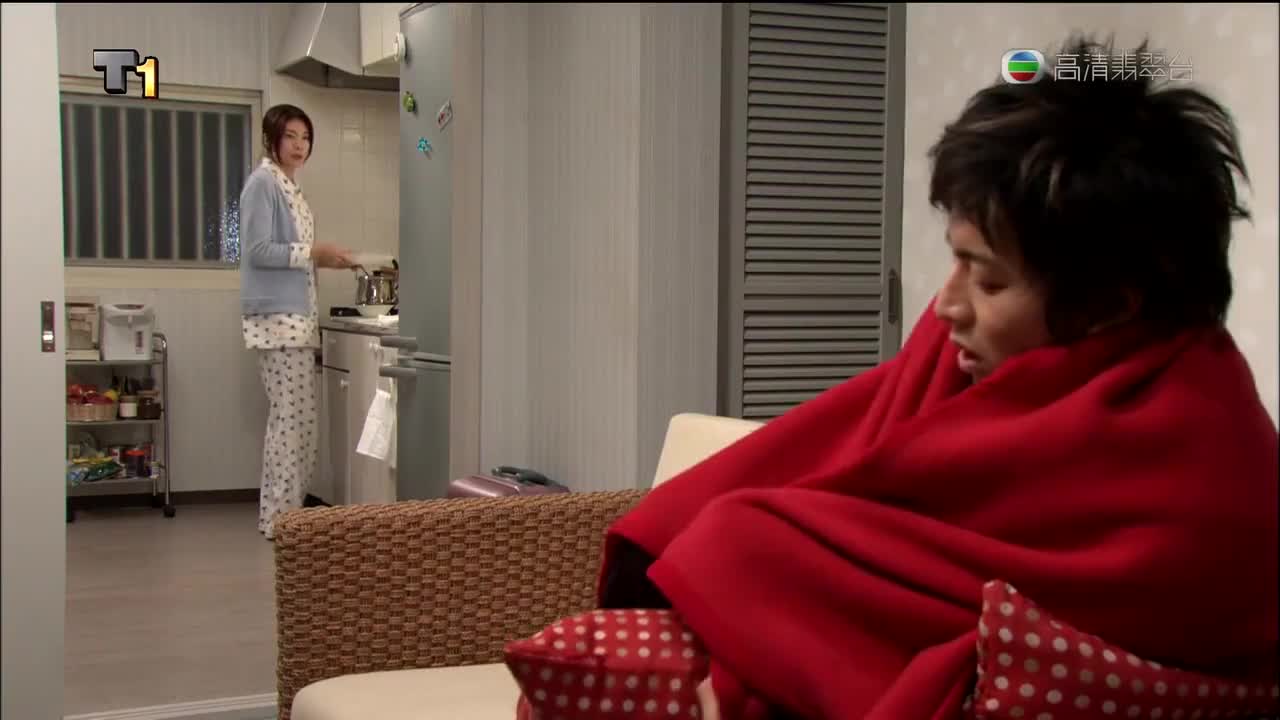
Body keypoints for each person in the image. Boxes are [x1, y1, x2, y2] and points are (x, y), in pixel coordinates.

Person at [591, 35, 1278, 719]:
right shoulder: (959, 351)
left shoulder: (1205, 465)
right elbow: (845, 482)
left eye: (989, 280)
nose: (948, 304)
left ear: (1113, 304)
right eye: (956, 261)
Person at [239, 104, 355, 540]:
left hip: (297, 318)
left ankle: (288, 517)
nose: (299, 145)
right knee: (290, 424)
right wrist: (312, 252)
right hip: (276, 320)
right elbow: (257, 250)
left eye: (305, 137)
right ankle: (279, 520)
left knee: (301, 424)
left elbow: (292, 254)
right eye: (290, 136)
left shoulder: (291, 187)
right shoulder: (263, 183)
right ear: (272, 138)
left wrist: (326, 260)